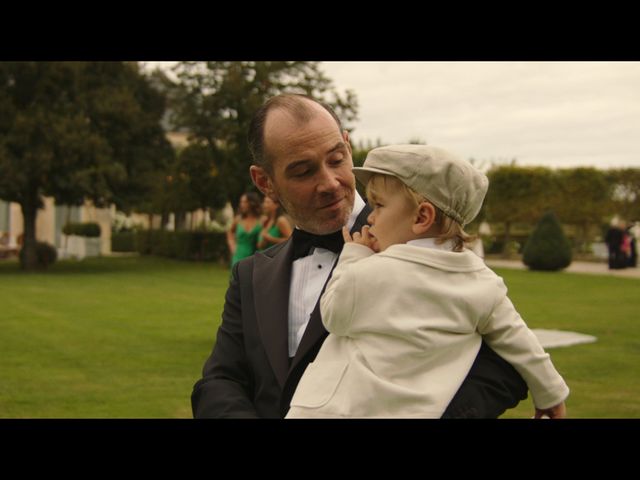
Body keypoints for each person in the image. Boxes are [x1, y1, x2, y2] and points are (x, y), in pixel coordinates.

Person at [191, 94, 528, 418]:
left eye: (337, 160)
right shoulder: (250, 275)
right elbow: (220, 381)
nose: (330, 182)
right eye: (303, 171)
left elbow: (504, 365)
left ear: (349, 146)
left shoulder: (424, 242)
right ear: (264, 181)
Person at [286, 144, 570, 418]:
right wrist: (551, 393)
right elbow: (519, 341)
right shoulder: (482, 281)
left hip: (338, 408)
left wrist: (355, 254)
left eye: (379, 206)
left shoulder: (377, 270)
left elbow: (334, 314)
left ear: (422, 217)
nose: (370, 218)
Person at [226, 192, 262, 268]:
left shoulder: (261, 220)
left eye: (244, 202)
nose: (241, 204)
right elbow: (230, 232)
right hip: (238, 256)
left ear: (252, 203)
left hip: (253, 257)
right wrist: (232, 245)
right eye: (241, 202)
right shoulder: (238, 219)